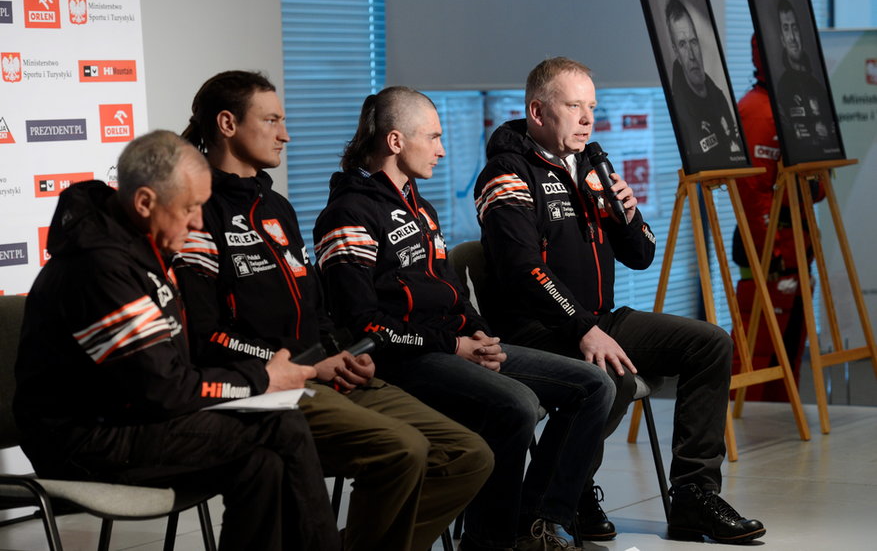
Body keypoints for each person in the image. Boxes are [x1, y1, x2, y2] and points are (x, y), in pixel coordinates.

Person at [174, 71, 493, 551]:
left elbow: (314, 306)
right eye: (272, 120)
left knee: (469, 454)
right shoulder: (197, 212)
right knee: (404, 451)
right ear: (227, 124)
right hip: (263, 387)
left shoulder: (276, 206)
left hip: (323, 371)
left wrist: (340, 352)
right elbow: (207, 335)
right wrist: (306, 364)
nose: (285, 134)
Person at [473, 57, 766, 545]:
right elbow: (523, 270)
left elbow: (642, 255)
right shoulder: (507, 172)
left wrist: (627, 215)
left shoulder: (592, 165)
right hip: (537, 329)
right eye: (574, 106)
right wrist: (582, 328)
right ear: (538, 111)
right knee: (616, 378)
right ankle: (560, 498)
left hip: (599, 319)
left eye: (592, 106)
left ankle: (693, 497)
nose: (588, 118)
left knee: (710, 343)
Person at [313, 86, 615, 551]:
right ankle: (487, 542)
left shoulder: (420, 205)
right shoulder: (347, 213)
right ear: (396, 142)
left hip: (455, 345)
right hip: (404, 360)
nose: (442, 149)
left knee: (596, 387)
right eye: (432, 137)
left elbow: (453, 290)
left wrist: (479, 332)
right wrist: (455, 346)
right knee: (513, 405)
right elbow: (365, 327)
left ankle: (535, 525)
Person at [13, 130, 340, 551]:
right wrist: (261, 378)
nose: (199, 222)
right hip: (83, 443)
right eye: (190, 208)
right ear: (145, 202)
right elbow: (164, 388)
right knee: (283, 425)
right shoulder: (98, 267)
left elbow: (167, 377)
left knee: (262, 465)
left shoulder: (137, 247)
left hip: (129, 421)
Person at [731, 35, 825, 401]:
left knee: (789, 356)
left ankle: (787, 429)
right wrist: (772, 254)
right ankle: (749, 435)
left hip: (797, 253)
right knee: (757, 358)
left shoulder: (796, 107)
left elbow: (815, 189)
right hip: (770, 257)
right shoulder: (757, 111)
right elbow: (752, 195)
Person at [665, 0, 746, 171]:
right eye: (683, 44)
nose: (692, 55)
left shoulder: (719, 96)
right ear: (676, 52)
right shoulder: (681, 112)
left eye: (693, 42)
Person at [773, 0, 840, 161]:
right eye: (786, 29)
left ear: (801, 33)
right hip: (796, 171)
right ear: (782, 38)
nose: (792, 38)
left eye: (794, 28)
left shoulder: (818, 86)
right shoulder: (781, 89)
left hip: (821, 170)